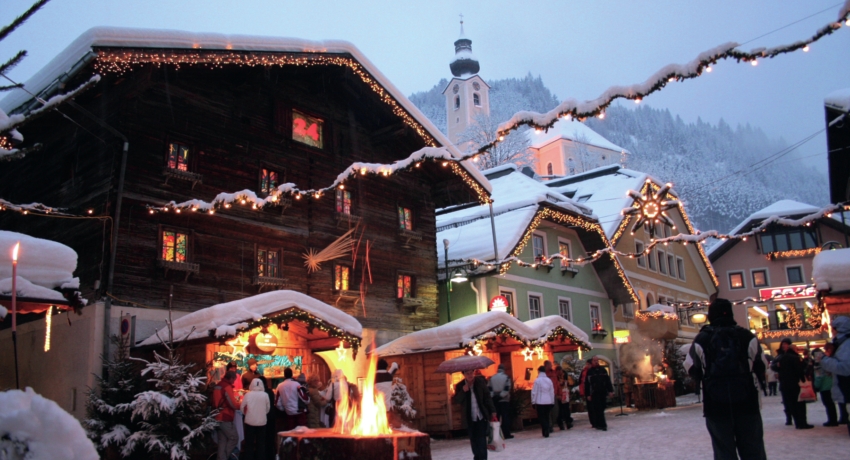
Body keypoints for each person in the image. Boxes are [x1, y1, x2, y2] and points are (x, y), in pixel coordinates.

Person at [686, 298, 767, 460]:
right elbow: (762, 364)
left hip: (715, 404)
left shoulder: (702, 339)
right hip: (747, 402)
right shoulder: (747, 336)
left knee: (723, 451)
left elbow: (690, 366)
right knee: (753, 449)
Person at [452, 369, 497, 460]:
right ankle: (477, 457)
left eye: (471, 373)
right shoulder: (460, 385)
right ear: (464, 375)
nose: (470, 375)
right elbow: (457, 401)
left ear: (474, 373)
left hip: (481, 415)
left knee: (482, 439)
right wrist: (463, 391)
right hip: (469, 417)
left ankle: (483, 458)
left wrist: (493, 411)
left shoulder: (480, 382)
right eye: (467, 373)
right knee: (474, 440)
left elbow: (487, 397)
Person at [819, 315, 850, 436]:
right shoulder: (841, 343)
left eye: (833, 328)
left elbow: (845, 368)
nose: (831, 331)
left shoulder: (845, 344)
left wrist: (825, 360)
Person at [773, 338, 813, 429]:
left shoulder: (781, 358)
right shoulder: (795, 358)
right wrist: (804, 379)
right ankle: (802, 423)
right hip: (795, 384)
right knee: (800, 404)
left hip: (785, 384)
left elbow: (776, 367)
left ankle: (797, 422)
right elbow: (800, 370)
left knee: (791, 404)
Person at [240, 378, 270, 460]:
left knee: (249, 443)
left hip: (249, 422)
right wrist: (262, 414)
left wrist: (246, 414)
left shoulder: (248, 395)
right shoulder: (265, 395)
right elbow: (268, 408)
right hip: (262, 422)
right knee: (261, 443)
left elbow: (242, 407)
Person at [213, 370, 239, 460]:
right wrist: (241, 406)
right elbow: (232, 403)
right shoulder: (227, 387)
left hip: (217, 416)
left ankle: (221, 458)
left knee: (222, 441)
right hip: (225, 416)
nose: (234, 382)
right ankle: (223, 457)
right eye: (234, 380)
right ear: (231, 378)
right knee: (234, 438)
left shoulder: (218, 385)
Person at [585, 357, 614, 431]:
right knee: (598, 408)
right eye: (594, 360)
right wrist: (588, 394)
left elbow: (607, 381)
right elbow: (587, 384)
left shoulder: (603, 370)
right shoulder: (590, 372)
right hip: (594, 393)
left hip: (602, 392)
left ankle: (598, 423)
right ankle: (603, 425)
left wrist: (610, 391)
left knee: (602, 407)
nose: (596, 362)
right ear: (592, 362)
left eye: (597, 360)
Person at [812, 349, 839, 427]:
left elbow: (819, 377)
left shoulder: (818, 365)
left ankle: (832, 421)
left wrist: (816, 386)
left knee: (828, 404)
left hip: (824, 386)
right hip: (831, 384)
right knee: (831, 404)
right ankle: (833, 420)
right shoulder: (827, 361)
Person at [487, 364, 513, 439]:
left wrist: (494, 396)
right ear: (504, 369)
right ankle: (506, 433)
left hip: (495, 401)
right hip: (504, 400)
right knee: (505, 417)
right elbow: (507, 388)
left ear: (497, 369)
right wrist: (501, 396)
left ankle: (496, 434)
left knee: (496, 418)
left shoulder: (492, 378)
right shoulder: (506, 377)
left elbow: (489, 388)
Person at [531, 365, 555, 437]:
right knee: (547, 416)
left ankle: (545, 428)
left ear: (539, 371)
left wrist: (533, 402)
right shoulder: (549, 380)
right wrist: (552, 401)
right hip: (548, 401)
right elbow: (552, 392)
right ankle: (546, 429)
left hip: (540, 401)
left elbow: (534, 392)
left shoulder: (537, 381)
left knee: (541, 417)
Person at [259, 377, 277, 460]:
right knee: (270, 438)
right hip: (271, 417)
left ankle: (263, 456)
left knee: (263, 438)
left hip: (263, 418)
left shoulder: (260, 393)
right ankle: (271, 456)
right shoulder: (270, 392)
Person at [543, 361, 563, 430]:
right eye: (550, 365)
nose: (551, 366)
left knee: (555, 411)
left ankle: (552, 423)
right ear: (547, 365)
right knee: (548, 411)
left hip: (554, 395)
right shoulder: (544, 374)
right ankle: (549, 426)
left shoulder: (553, 373)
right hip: (547, 395)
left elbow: (557, 384)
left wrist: (559, 394)